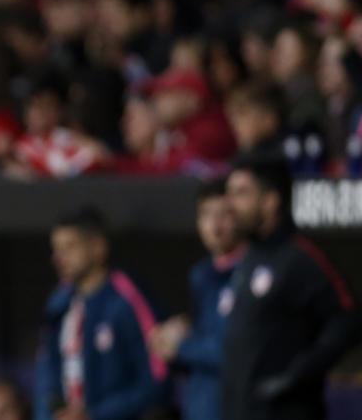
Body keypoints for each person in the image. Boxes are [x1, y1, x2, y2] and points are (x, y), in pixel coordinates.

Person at [221, 155, 361, 419]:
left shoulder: (301, 258)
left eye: (241, 193)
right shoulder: (248, 257)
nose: (229, 205)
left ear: (270, 200)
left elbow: (348, 319)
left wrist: (299, 373)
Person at [35, 208, 168, 420]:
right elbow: (47, 371)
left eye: (69, 247)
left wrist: (96, 415)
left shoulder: (127, 298)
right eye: (56, 249)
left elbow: (157, 376)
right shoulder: (59, 301)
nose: (59, 258)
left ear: (98, 247)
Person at [150, 180, 245, 420]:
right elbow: (200, 350)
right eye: (206, 215)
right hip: (201, 406)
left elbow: (239, 353)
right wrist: (167, 342)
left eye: (224, 214)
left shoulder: (255, 272)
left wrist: (181, 346)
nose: (215, 225)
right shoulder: (201, 274)